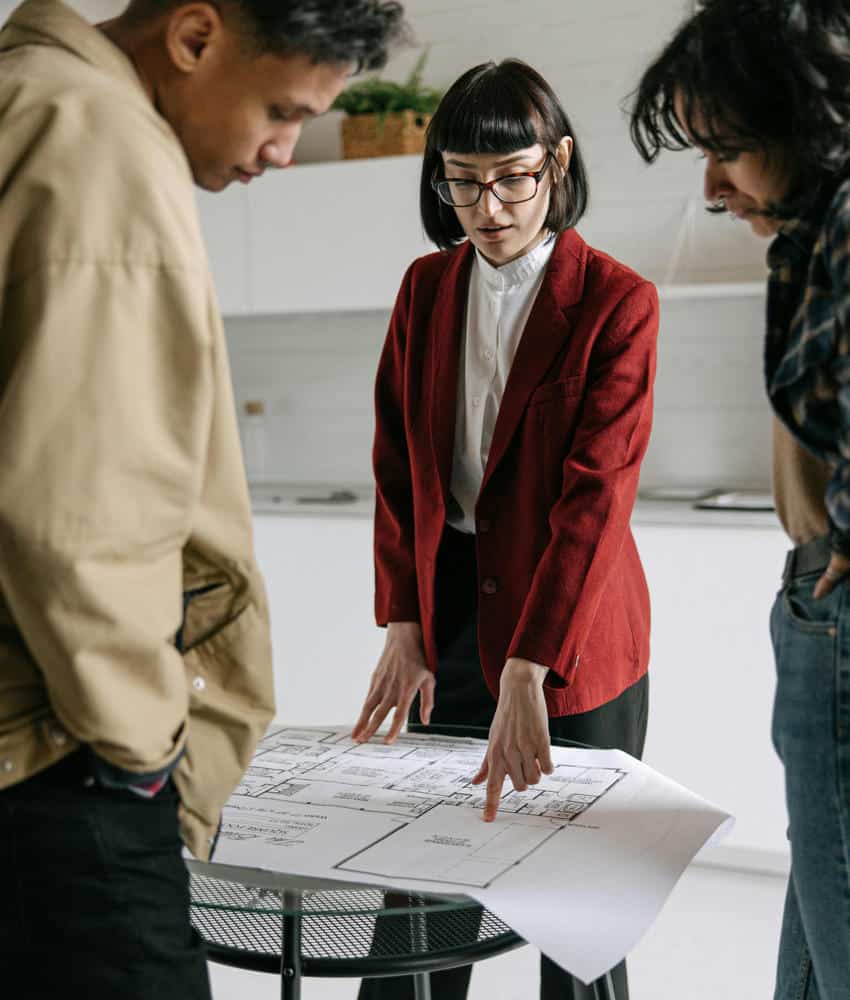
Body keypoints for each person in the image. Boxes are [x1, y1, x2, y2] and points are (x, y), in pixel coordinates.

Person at [0, 1, 405, 998]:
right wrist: (138, 748)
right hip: (60, 753)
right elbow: (79, 508)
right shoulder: (100, 142)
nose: (282, 151)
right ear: (193, 39)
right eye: (280, 110)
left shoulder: (23, 96)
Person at [352, 58, 658, 1000]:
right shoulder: (425, 288)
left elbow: (595, 501)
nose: (488, 208)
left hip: (575, 635)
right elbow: (399, 464)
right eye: (464, 182)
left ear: (556, 163)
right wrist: (405, 620)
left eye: (513, 178)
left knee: (573, 909)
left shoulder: (616, 300)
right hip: (450, 617)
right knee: (423, 885)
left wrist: (530, 667)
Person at [630, 2, 850, 997]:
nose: (713, 186)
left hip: (837, 600)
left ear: (805, 120)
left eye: (727, 150)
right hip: (820, 595)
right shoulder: (805, 233)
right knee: (817, 913)